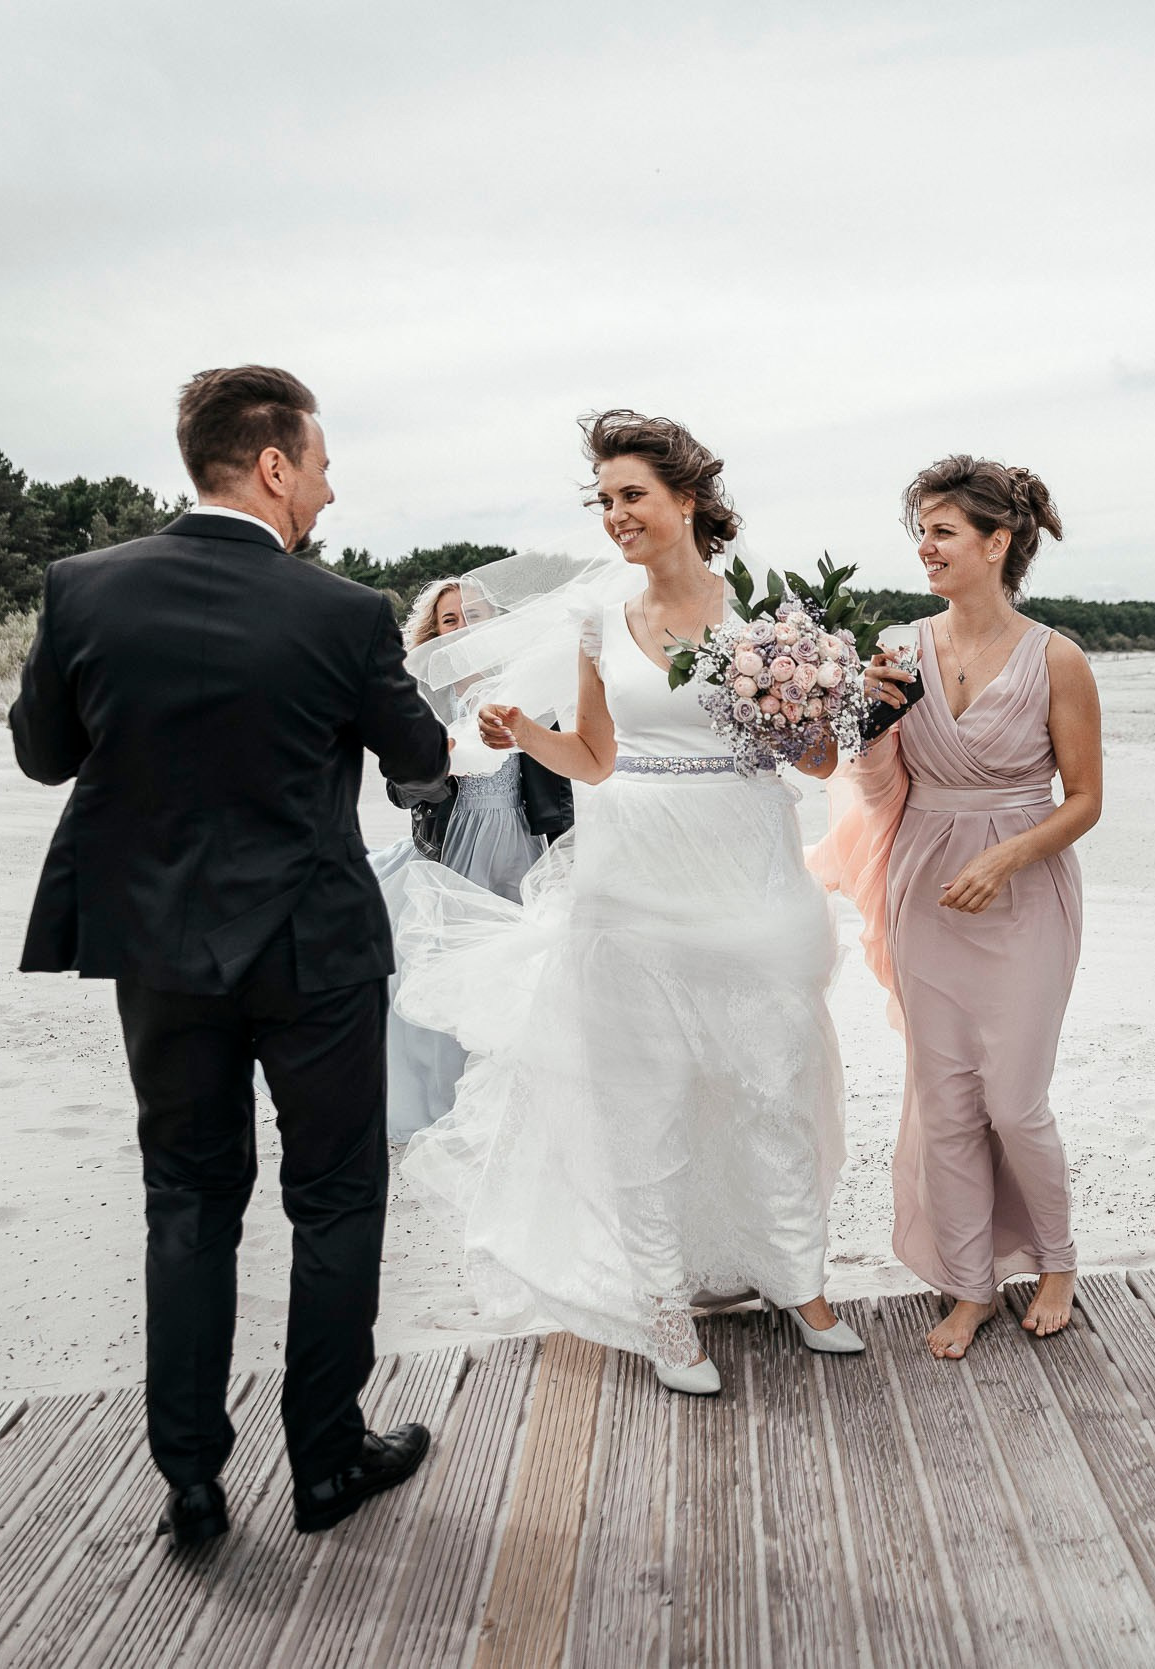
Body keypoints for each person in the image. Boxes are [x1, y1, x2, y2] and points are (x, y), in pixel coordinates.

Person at [10, 366, 446, 1549]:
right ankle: (326, 1461)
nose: (327, 484)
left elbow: (45, 757)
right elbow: (420, 760)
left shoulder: (82, 589)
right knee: (338, 1196)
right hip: (313, 950)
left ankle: (192, 1480)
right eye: (317, 462)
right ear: (272, 466)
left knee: (187, 1201)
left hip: (156, 951)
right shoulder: (346, 612)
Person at [392, 409, 861, 1398]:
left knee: (771, 1086)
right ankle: (662, 1310)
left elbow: (822, 760)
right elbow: (597, 760)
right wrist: (525, 734)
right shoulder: (597, 621)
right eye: (603, 501)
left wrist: (787, 705)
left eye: (631, 496)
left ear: (687, 499)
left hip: (752, 882)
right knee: (643, 1105)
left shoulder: (768, 619)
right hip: (633, 889)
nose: (615, 516)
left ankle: (800, 1283)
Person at [812, 456, 1101, 1362]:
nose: (926, 547)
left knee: (1015, 1100)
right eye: (922, 532)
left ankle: (1056, 1261)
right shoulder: (899, 647)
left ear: (997, 542)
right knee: (943, 1100)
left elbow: (1085, 799)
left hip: (1024, 887)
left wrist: (1007, 856)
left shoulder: (1059, 658)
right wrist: (863, 727)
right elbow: (875, 782)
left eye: (943, 531)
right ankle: (969, 1284)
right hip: (924, 884)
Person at [371, 575, 573, 1141]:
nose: (463, 626)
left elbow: (565, 771)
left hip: (524, 846)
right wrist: (435, 766)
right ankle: (444, 1103)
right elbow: (401, 785)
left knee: (521, 974)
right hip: (450, 847)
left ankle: (516, 1104)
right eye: (450, 620)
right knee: (440, 970)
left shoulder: (531, 685)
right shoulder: (421, 698)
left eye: (475, 615)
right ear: (434, 634)